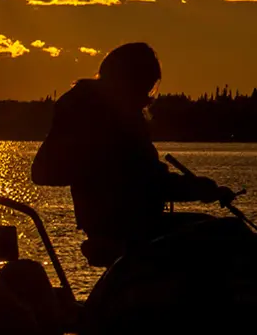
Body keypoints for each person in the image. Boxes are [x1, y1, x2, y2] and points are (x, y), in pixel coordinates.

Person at [31, 42, 231, 267]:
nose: (146, 95)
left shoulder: (88, 109)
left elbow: (148, 177)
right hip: (127, 229)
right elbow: (150, 181)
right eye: (144, 85)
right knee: (225, 232)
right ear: (130, 81)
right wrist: (202, 188)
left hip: (116, 226)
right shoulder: (113, 118)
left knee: (209, 228)